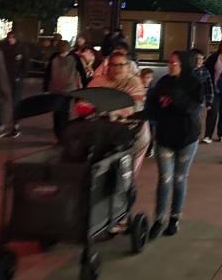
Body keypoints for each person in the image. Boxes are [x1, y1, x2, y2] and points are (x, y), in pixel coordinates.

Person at [148, 51, 203, 239]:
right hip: (165, 137)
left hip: (187, 137)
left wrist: (174, 97)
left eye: (174, 63)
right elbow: (153, 106)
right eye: (169, 63)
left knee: (179, 178)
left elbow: (193, 108)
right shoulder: (163, 83)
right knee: (165, 178)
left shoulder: (194, 84)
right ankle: (158, 219)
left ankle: (174, 218)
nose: (170, 66)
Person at [86, 50, 150, 208]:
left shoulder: (134, 83)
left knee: (124, 175)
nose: (117, 68)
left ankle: (121, 213)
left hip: (132, 136)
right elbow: (83, 104)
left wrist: (106, 110)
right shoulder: (98, 82)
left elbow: (132, 107)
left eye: (122, 65)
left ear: (128, 66)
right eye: (114, 64)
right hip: (102, 134)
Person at [43, 40, 86, 137]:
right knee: (56, 110)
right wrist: (45, 87)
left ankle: (62, 130)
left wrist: (85, 86)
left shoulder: (75, 58)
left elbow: (82, 73)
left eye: (65, 53)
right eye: (61, 53)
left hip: (69, 88)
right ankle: (58, 130)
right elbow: (48, 73)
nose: (63, 55)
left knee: (63, 109)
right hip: (55, 88)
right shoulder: (54, 57)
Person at [0, 30, 30, 137]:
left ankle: (15, 126)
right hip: (4, 78)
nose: (10, 39)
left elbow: (26, 64)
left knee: (15, 103)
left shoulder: (22, 49)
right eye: (9, 37)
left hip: (15, 79)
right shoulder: (4, 48)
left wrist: (20, 76)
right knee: (1, 101)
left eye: (13, 37)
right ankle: (0, 125)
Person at [203, 39, 222, 143]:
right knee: (212, 112)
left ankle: (221, 134)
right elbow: (206, 70)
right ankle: (208, 135)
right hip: (215, 89)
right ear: (221, 46)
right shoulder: (214, 58)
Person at [191, 48, 214, 135]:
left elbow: (209, 86)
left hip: (197, 100)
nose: (200, 61)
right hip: (185, 99)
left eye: (202, 58)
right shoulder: (186, 70)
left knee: (194, 117)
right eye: (198, 58)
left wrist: (209, 101)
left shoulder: (204, 70)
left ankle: (194, 134)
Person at [140, 67, 157, 157]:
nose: (145, 80)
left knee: (150, 133)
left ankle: (150, 148)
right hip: (140, 113)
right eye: (143, 77)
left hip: (149, 114)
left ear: (151, 78)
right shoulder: (137, 88)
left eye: (148, 77)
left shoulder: (154, 90)